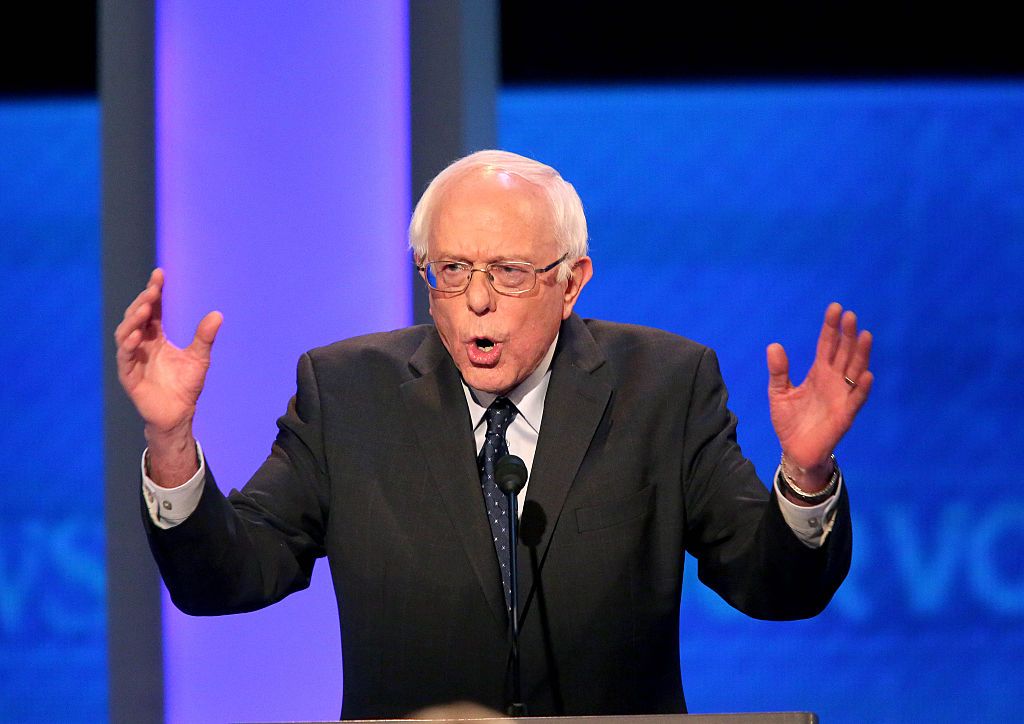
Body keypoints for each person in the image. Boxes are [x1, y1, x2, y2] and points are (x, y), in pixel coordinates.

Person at [115, 150, 873, 718]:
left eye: (509, 271)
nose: (477, 300)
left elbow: (775, 586)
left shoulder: (664, 387)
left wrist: (805, 477)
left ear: (572, 282)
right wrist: (172, 441)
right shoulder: (347, 394)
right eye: (451, 269)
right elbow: (226, 577)